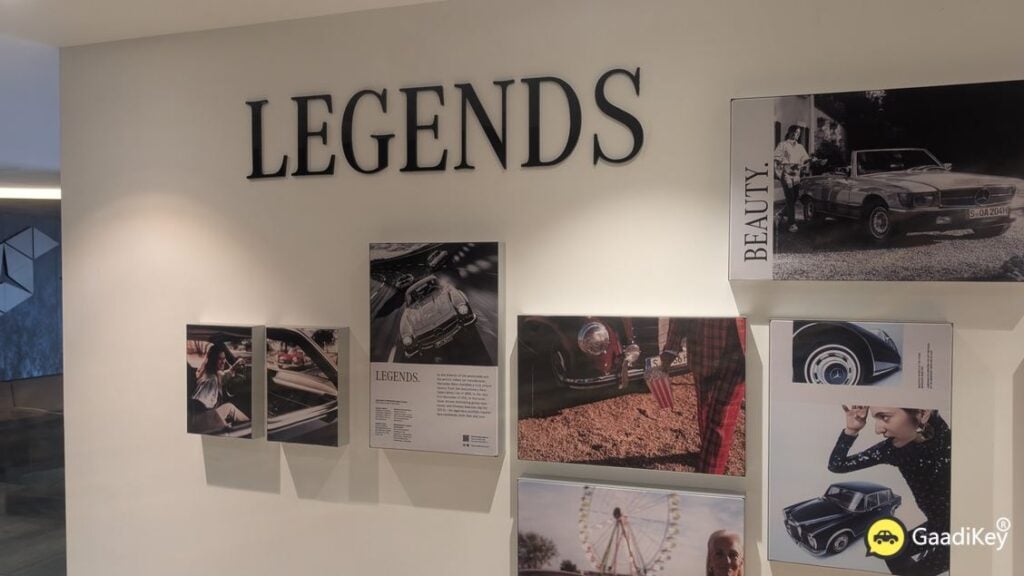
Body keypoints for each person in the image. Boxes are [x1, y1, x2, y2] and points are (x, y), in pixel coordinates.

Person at [830, 406, 951, 576]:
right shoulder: (891, 449)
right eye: (876, 419)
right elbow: (837, 465)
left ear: (923, 413)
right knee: (892, 552)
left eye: (885, 417)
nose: (878, 429)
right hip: (937, 526)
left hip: (965, 531)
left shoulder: (947, 438)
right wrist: (852, 430)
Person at [645, 318, 746, 475]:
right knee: (704, 408)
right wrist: (670, 350)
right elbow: (681, 311)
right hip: (702, 353)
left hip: (738, 355)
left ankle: (708, 479)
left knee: (720, 422)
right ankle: (708, 453)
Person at [190, 343, 250, 431]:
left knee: (229, 407)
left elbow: (223, 375)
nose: (223, 361)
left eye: (224, 358)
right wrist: (220, 423)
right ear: (213, 360)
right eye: (219, 359)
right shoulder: (211, 380)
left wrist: (233, 368)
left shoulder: (211, 372)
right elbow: (198, 404)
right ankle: (249, 427)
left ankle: (248, 425)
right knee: (230, 416)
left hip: (204, 414)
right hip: (202, 418)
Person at [773, 124, 810, 232]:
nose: (796, 135)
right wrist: (780, 172)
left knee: (794, 198)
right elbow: (776, 159)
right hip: (786, 174)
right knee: (790, 198)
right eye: (794, 132)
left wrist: (815, 160)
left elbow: (805, 159)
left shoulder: (800, 147)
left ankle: (781, 213)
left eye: (798, 133)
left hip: (796, 175)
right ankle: (792, 223)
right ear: (789, 132)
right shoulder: (783, 145)